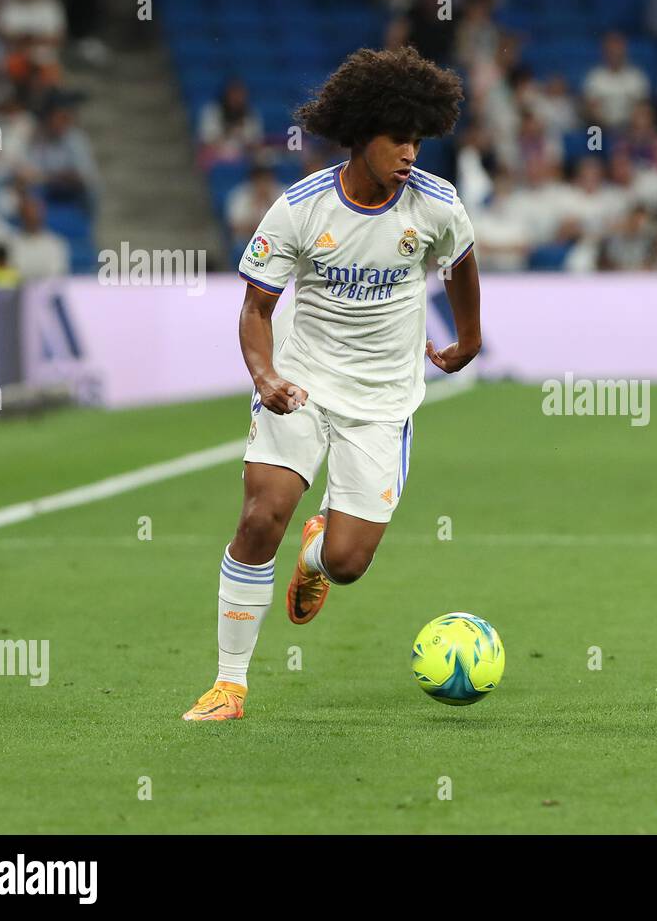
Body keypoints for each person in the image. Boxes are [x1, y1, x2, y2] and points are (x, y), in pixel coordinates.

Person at [183, 46, 482, 722]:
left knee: (347, 563)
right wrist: (265, 376)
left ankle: (317, 553)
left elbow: (462, 266)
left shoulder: (436, 205)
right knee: (261, 515)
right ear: (360, 134)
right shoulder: (300, 209)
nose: (410, 152)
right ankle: (229, 684)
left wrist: (468, 338)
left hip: (383, 401)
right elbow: (256, 309)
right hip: (303, 382)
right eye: (397, 138)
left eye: (417, 139)